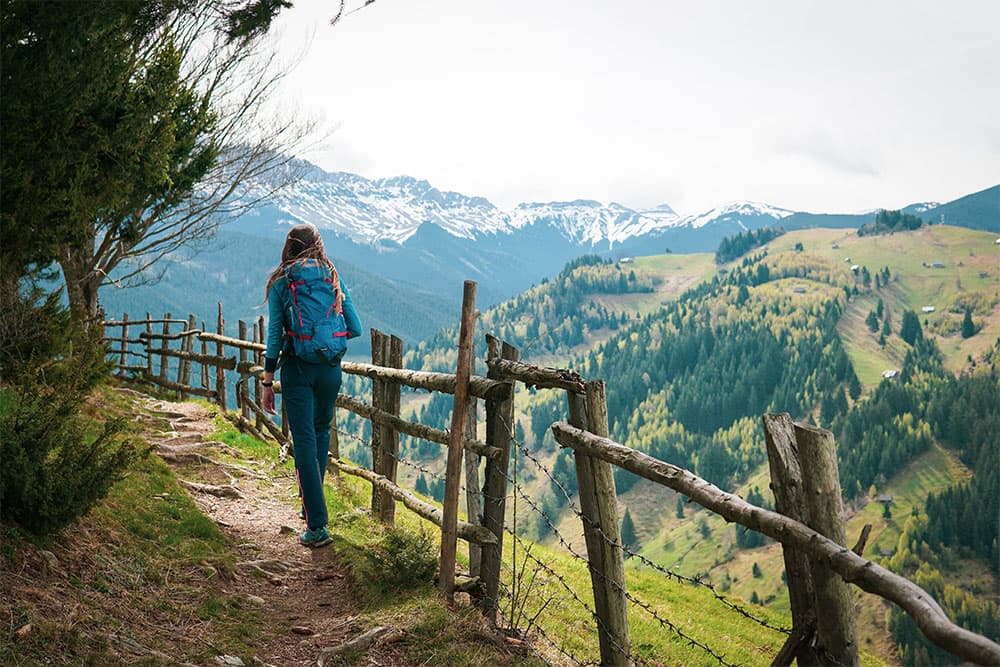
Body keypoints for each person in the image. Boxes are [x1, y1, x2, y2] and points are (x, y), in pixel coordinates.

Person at [261, 223, 363, 548]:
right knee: (320, 433)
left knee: (304, 439)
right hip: (330, 369)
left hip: (298, 369)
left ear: (289, 246)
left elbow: (274, 336)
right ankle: (312, 511)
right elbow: (356, 327)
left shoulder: (282, 281)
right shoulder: (331, 275)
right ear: (318, 245)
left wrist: (267, 380)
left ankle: (317, 525)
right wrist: (325, 339)